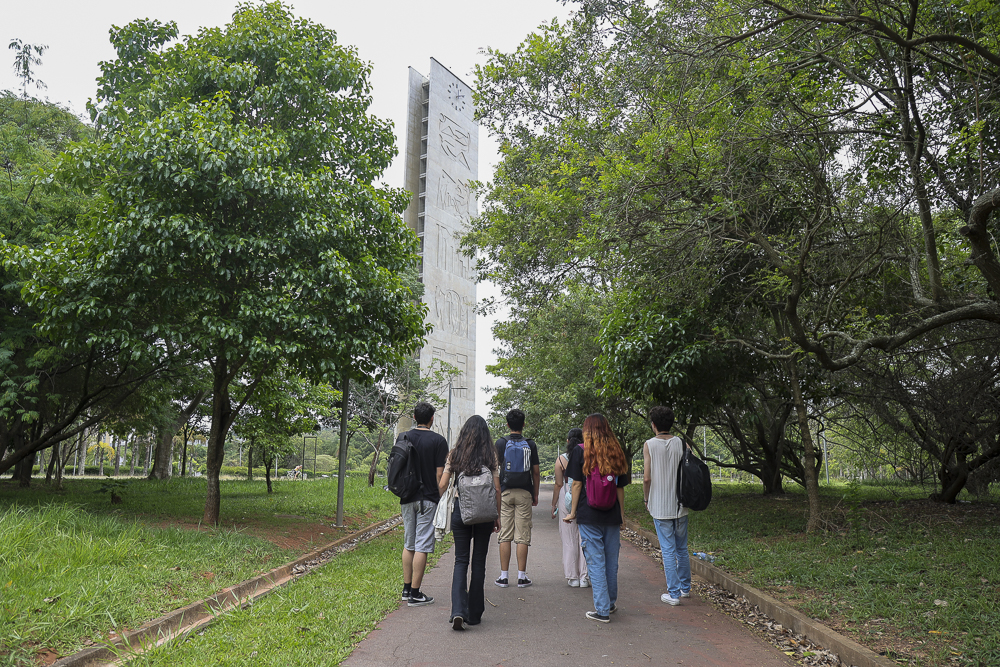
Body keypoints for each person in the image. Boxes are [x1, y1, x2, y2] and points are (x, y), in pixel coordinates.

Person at [564, 413, 631, 623]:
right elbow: (620, 487)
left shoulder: (580, 451)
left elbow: (576, 484)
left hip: (588, 513)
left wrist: (573, 512)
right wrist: (621, 514)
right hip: (611, 513)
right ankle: (610, 604)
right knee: (611, 561)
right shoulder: (616, 451)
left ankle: (601, 610)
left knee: (595, 561)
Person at [437, 415, 502, 630]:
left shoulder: (455, 454)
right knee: (479, 562)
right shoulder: (490, 454)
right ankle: (474, 613)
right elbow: (497, 489)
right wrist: (496, 516)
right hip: (484, 514)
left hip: (461, 511)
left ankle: (458, 610)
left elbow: (443, 484)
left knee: (460, 561)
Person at [400, 401, 449, 607]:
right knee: (423, 544)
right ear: (432, 418)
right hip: (428, 497)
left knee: (409, 543)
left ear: (414, 417)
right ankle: (415, 593)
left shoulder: (403, 437)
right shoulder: (438, 440)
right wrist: (437, 495)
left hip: (407, 496)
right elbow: (440, 473)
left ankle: (405, 588)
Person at [643, 405, 691, 606]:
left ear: (653, 425)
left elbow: (646, 478)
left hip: (660, 506)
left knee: (668, 550)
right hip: (681, 504)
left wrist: (646, 500)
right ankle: (685, 588)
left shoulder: (649, 445)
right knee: (682, 548)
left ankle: (673, 594)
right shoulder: (682, 443)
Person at [494, 408, 540, 588]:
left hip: (504, 492)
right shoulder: (530, 444)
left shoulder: (500, 443)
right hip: (524, 492)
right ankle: (522, 577)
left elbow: (494, 470)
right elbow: (535, 472)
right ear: (523, 424)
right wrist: (534, 493)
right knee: (522, 535)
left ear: (507, 424)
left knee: (505, 533)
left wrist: (495, 492)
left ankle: (503, 577)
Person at [552, 427, 588, 588]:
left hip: (566, 498)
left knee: (569, 539)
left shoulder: (561, 460)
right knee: (585, 538)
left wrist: (553, 504)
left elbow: (559, 484)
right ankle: (585, 577)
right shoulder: (588, 455)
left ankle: (572, 577)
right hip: (585, 498)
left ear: (567, 442)